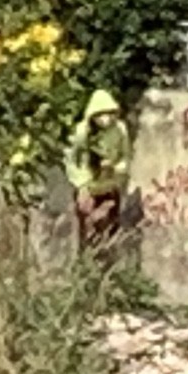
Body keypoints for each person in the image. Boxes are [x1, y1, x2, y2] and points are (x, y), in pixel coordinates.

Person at [66, 87, 133, 251]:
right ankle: (88, 269)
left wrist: (116, 168)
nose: (106, 119)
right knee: (88, 236)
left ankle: (110, 271)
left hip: (110, 187)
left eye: (110, 113)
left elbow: (126, 156)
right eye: (101, 114)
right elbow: (72, 160)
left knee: (110, 233)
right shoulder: (82, 132)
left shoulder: (120, 129)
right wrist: (81, 185)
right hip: (88, 190)